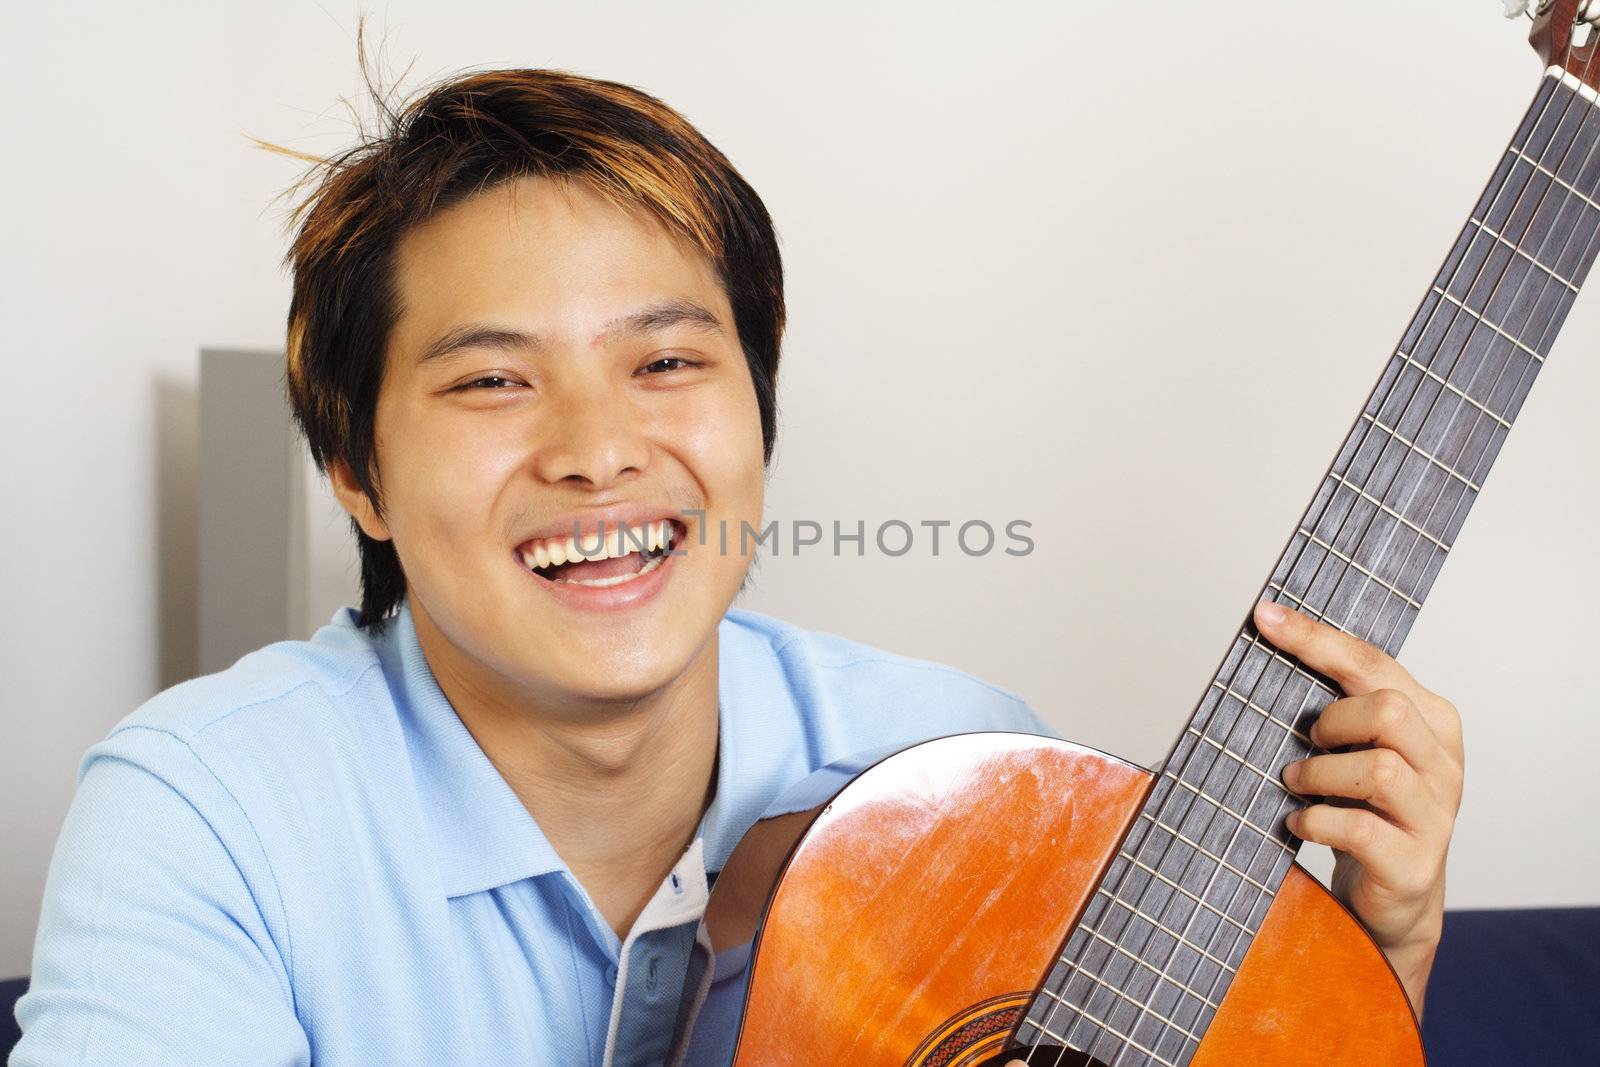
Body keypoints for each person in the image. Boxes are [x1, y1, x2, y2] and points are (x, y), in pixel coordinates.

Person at [11, 58, 1463, 1067]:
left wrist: (1372, 963)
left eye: (666, 360)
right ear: (356, 472)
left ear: (757, 410)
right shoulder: (205, 814)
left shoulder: (960, 768)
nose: (599, 449)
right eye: (491, 382)